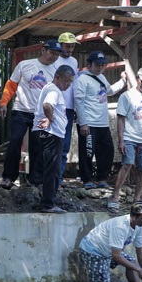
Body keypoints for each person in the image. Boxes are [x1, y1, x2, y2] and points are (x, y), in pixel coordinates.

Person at [0, 39, 62, 189]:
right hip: (21, 110)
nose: (54, 57)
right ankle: (8, 177)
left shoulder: (55, 72)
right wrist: (3, 103)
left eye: (57, 54)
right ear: (43, 50)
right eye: (52, 53)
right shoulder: (25, 65)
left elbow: (56, 94)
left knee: (37, 146)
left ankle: (35, 179)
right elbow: (11, 85)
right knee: (14, 141)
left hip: (40, 114)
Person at [107, 67, 142, 214]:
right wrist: (121, 140)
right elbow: (120, 119)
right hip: (130, 136)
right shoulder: (127, 96)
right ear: (138, 78)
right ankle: (114, 196)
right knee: (127, 164)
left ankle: (137, 199)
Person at [78, 200, 142, 282]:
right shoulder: (120, 227)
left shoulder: (139, 226)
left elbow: (140, 250)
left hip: (109, 250)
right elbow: (116, 256)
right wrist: (140, 270)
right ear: (133, 216)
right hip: (94, 250)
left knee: (131, 262)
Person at [33, 64, 75, 213]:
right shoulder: (54, 90)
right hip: (52, 134)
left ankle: (44, 199)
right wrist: (50, 119)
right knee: (53, 169)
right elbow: (47, 105)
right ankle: (48, 204)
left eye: (71, 82)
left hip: (45, 133)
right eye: (67, 81)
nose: (69, 84)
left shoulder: (50, 88)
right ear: (57, 77)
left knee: (46, 167)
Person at [74, 51, 116, 189]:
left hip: (103, 122)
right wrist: (83, 123)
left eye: (103, 65)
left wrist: (123, 81)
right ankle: (87, 179)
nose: (100, 68)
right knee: (87, 152)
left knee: (107, 151)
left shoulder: (102, 77)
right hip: (89, 123)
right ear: (89, 64)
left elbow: (109, 91)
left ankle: (102, 178)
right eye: (98, 65)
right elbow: (78, 101)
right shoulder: (82, 80)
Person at [55, 32, 79, 185]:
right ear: (60, 45)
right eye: (67, 46)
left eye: (72, 46)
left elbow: (75, 84)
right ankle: (47, 176)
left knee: (65, 144)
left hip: (69, 107)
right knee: (52, 143)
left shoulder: (74, 61)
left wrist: (76, 106)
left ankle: (59, 176)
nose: (70, 49)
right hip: (55, 105)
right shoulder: (53, 60)